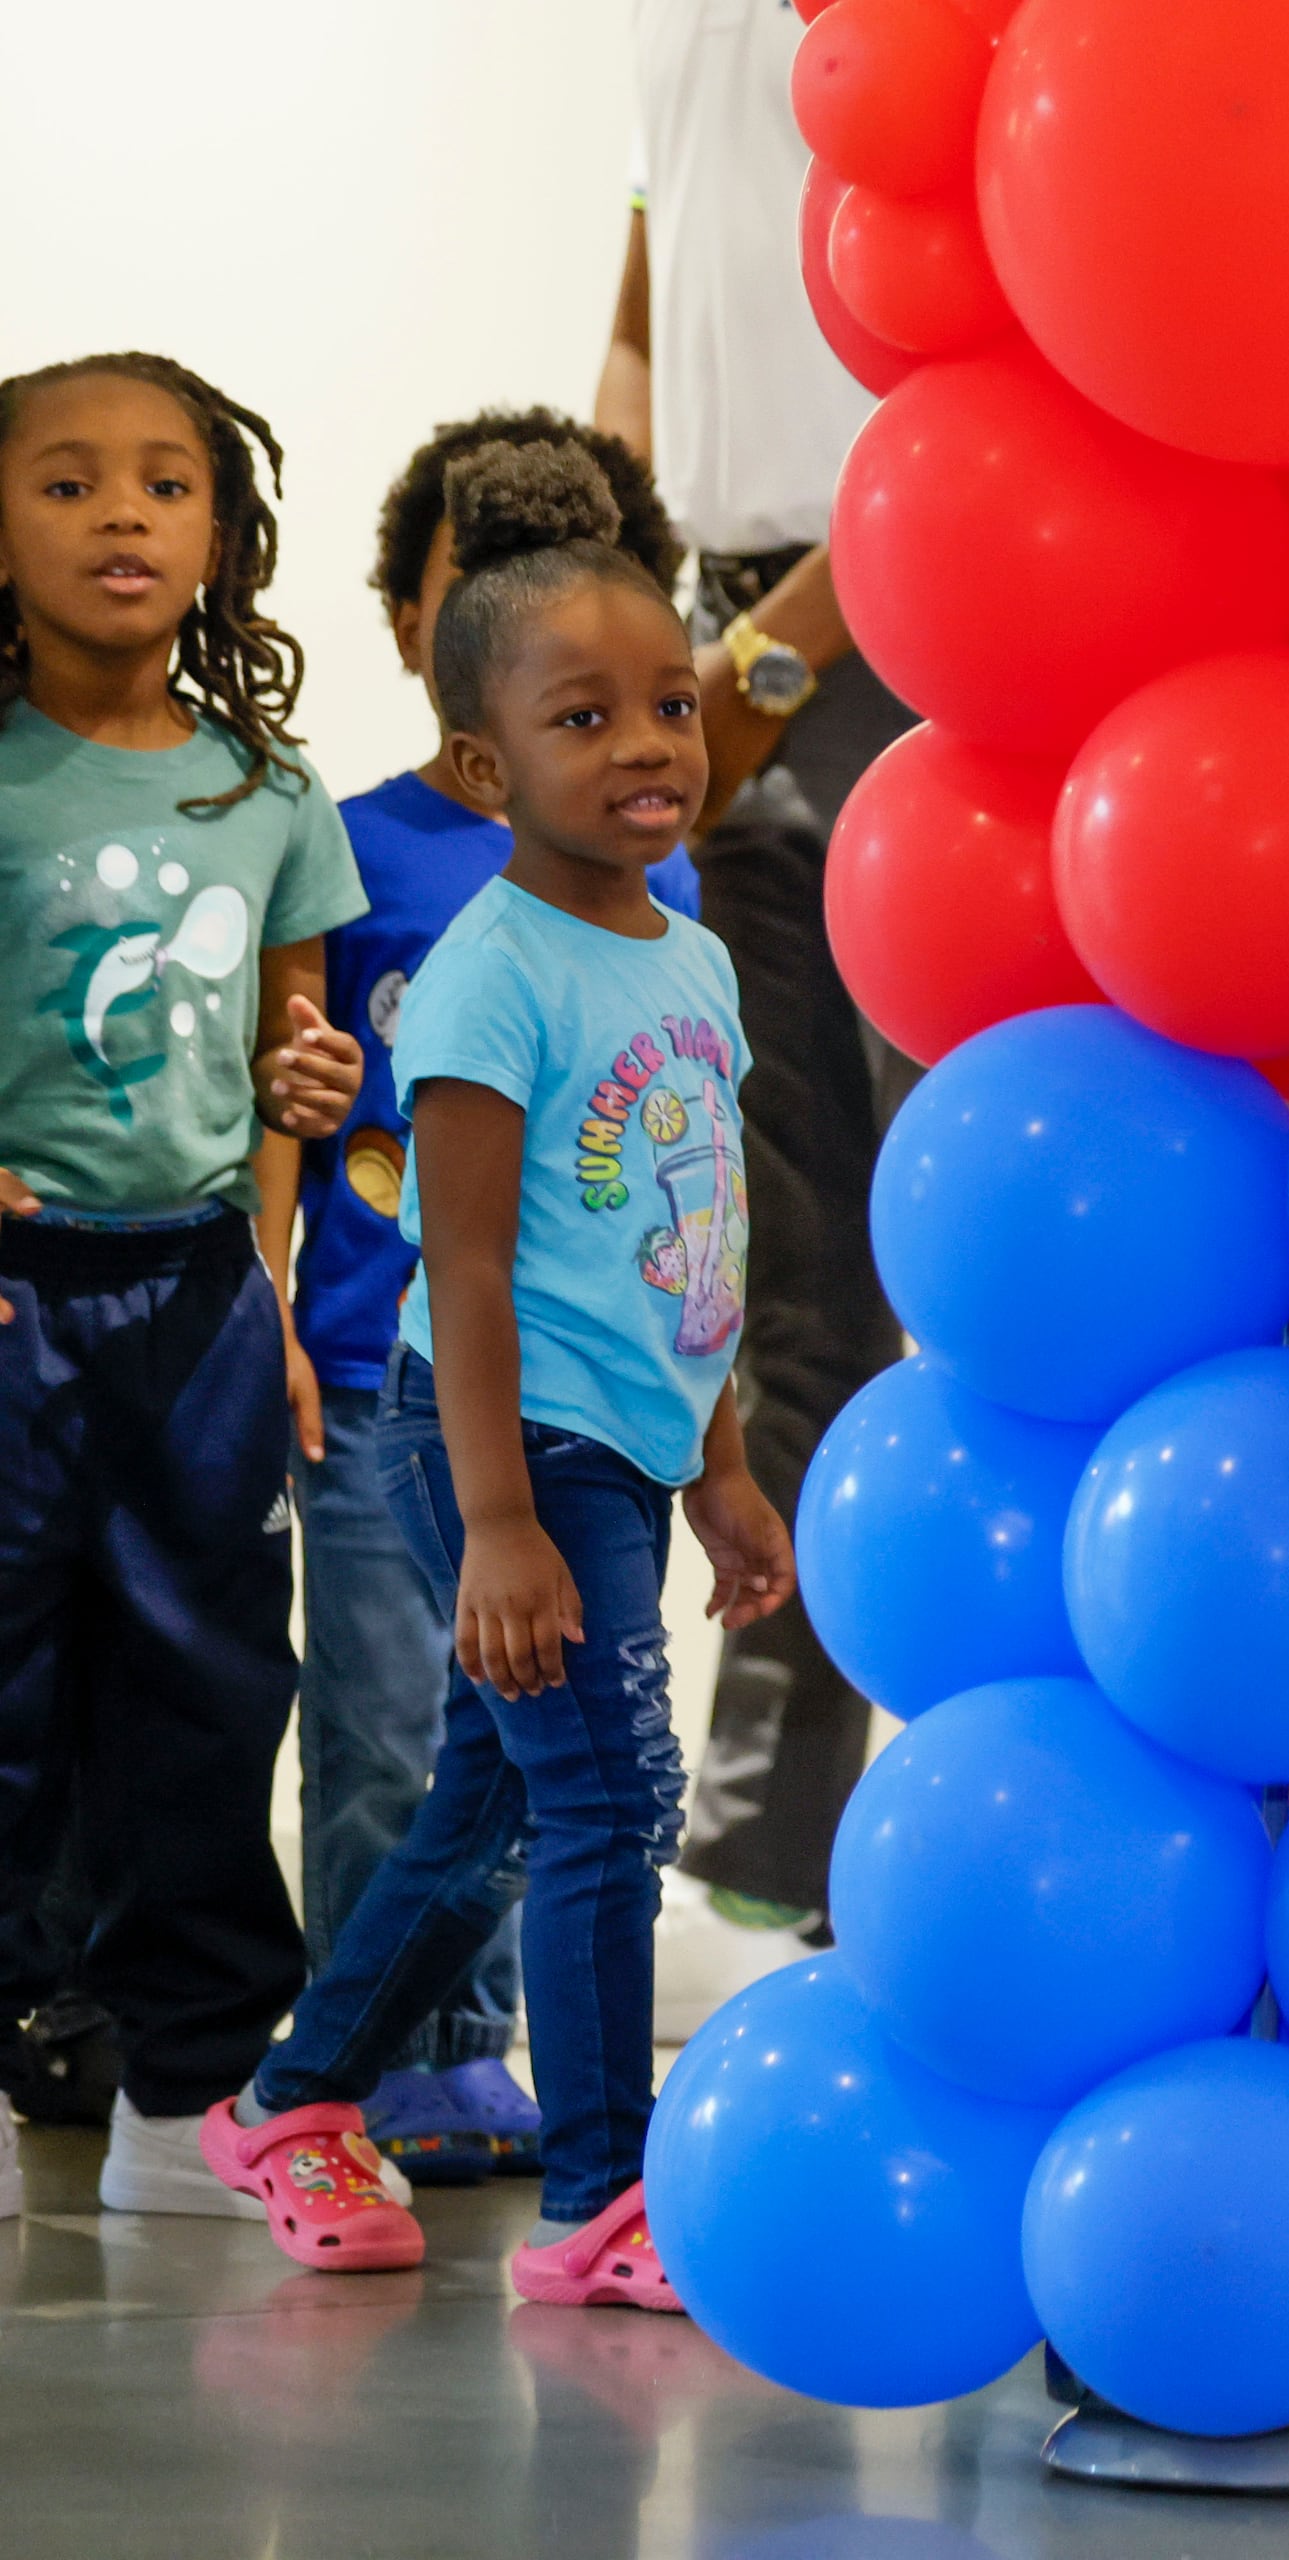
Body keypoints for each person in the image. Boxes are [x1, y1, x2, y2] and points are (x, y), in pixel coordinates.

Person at [202, 442, 793, 2305]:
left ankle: (293, 2098)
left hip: (623, 1446)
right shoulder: (487, 971)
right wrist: (503, 1524)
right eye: (584, 715)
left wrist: (723, 1464)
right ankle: (599, 2201)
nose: (647, 745)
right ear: (484, 766)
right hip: (502, 1448)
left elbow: (690, 1257)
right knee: (612, 1798)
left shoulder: (690, 959)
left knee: (493, 1804)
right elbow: (459, 1269)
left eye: (669, 706)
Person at [0, 353, 368, 2228]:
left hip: (205, 1298)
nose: (119, 514)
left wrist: (275, 1294)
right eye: (64, 484)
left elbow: (289, 1071)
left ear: (222, 534)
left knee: (212, 1683)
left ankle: (195, 2078)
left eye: (161, 484)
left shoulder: (271, 792)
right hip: (11, 1296)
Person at [608, 0, 921, 2025]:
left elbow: (993, 353)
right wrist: (611, 603)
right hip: (720, 627)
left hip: (908, 621)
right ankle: (770, 1851)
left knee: (986, 1277)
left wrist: (771, 659)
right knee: (775, 1284)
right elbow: (647, 297)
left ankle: (976, 1831)